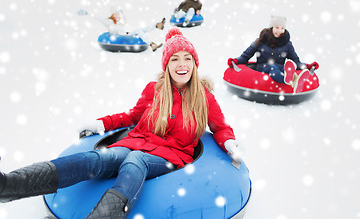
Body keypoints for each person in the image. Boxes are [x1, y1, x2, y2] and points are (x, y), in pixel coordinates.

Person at [0, 28, 241, 218]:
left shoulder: (204, 98)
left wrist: (229, 143)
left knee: (135, 160)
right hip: (137, 143)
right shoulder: (154, 91)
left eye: (187, 58)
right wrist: (102, 124)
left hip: (171, 156)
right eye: (175, 59)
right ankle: (11, 185)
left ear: (194, 64)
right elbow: (132, 117)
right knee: (101, 158)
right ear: (166, 65)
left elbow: (220, 127)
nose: (182, 65)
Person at [228, 15, 319, 93]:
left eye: (282, 28)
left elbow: (296, 61)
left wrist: (308, 66)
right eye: (277, 28)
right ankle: (290, 82)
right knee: (273, 68)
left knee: (285, 67)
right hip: (263, 68)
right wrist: (235, 61)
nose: (279, 31)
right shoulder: (260, 41)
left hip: (280, 68)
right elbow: (245, 56)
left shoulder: (287, 44)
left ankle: (293, 79)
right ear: (271, 28)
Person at [87, 7, 166, 52]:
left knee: (142, 30)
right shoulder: (109, 23)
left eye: (118, 14)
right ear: (112, 15)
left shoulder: (119, 23)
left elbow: (125, 21)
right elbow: (99, 18)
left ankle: (157, 25)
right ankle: (152, 44)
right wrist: (88, 13)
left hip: (126, 34)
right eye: (116, 14)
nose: (118, 16)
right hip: (121, 36)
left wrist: (123, 14)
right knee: (138, 30)